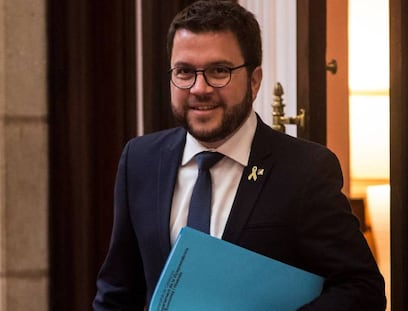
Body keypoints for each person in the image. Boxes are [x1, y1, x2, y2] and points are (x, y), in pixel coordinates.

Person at [93, 1, 386, 310]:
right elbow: (118, 290)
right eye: (184, 71)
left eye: (219, 71)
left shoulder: (305, 170)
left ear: (255, 80)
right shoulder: (140, 160)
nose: (199, 88)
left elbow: (362, 288)